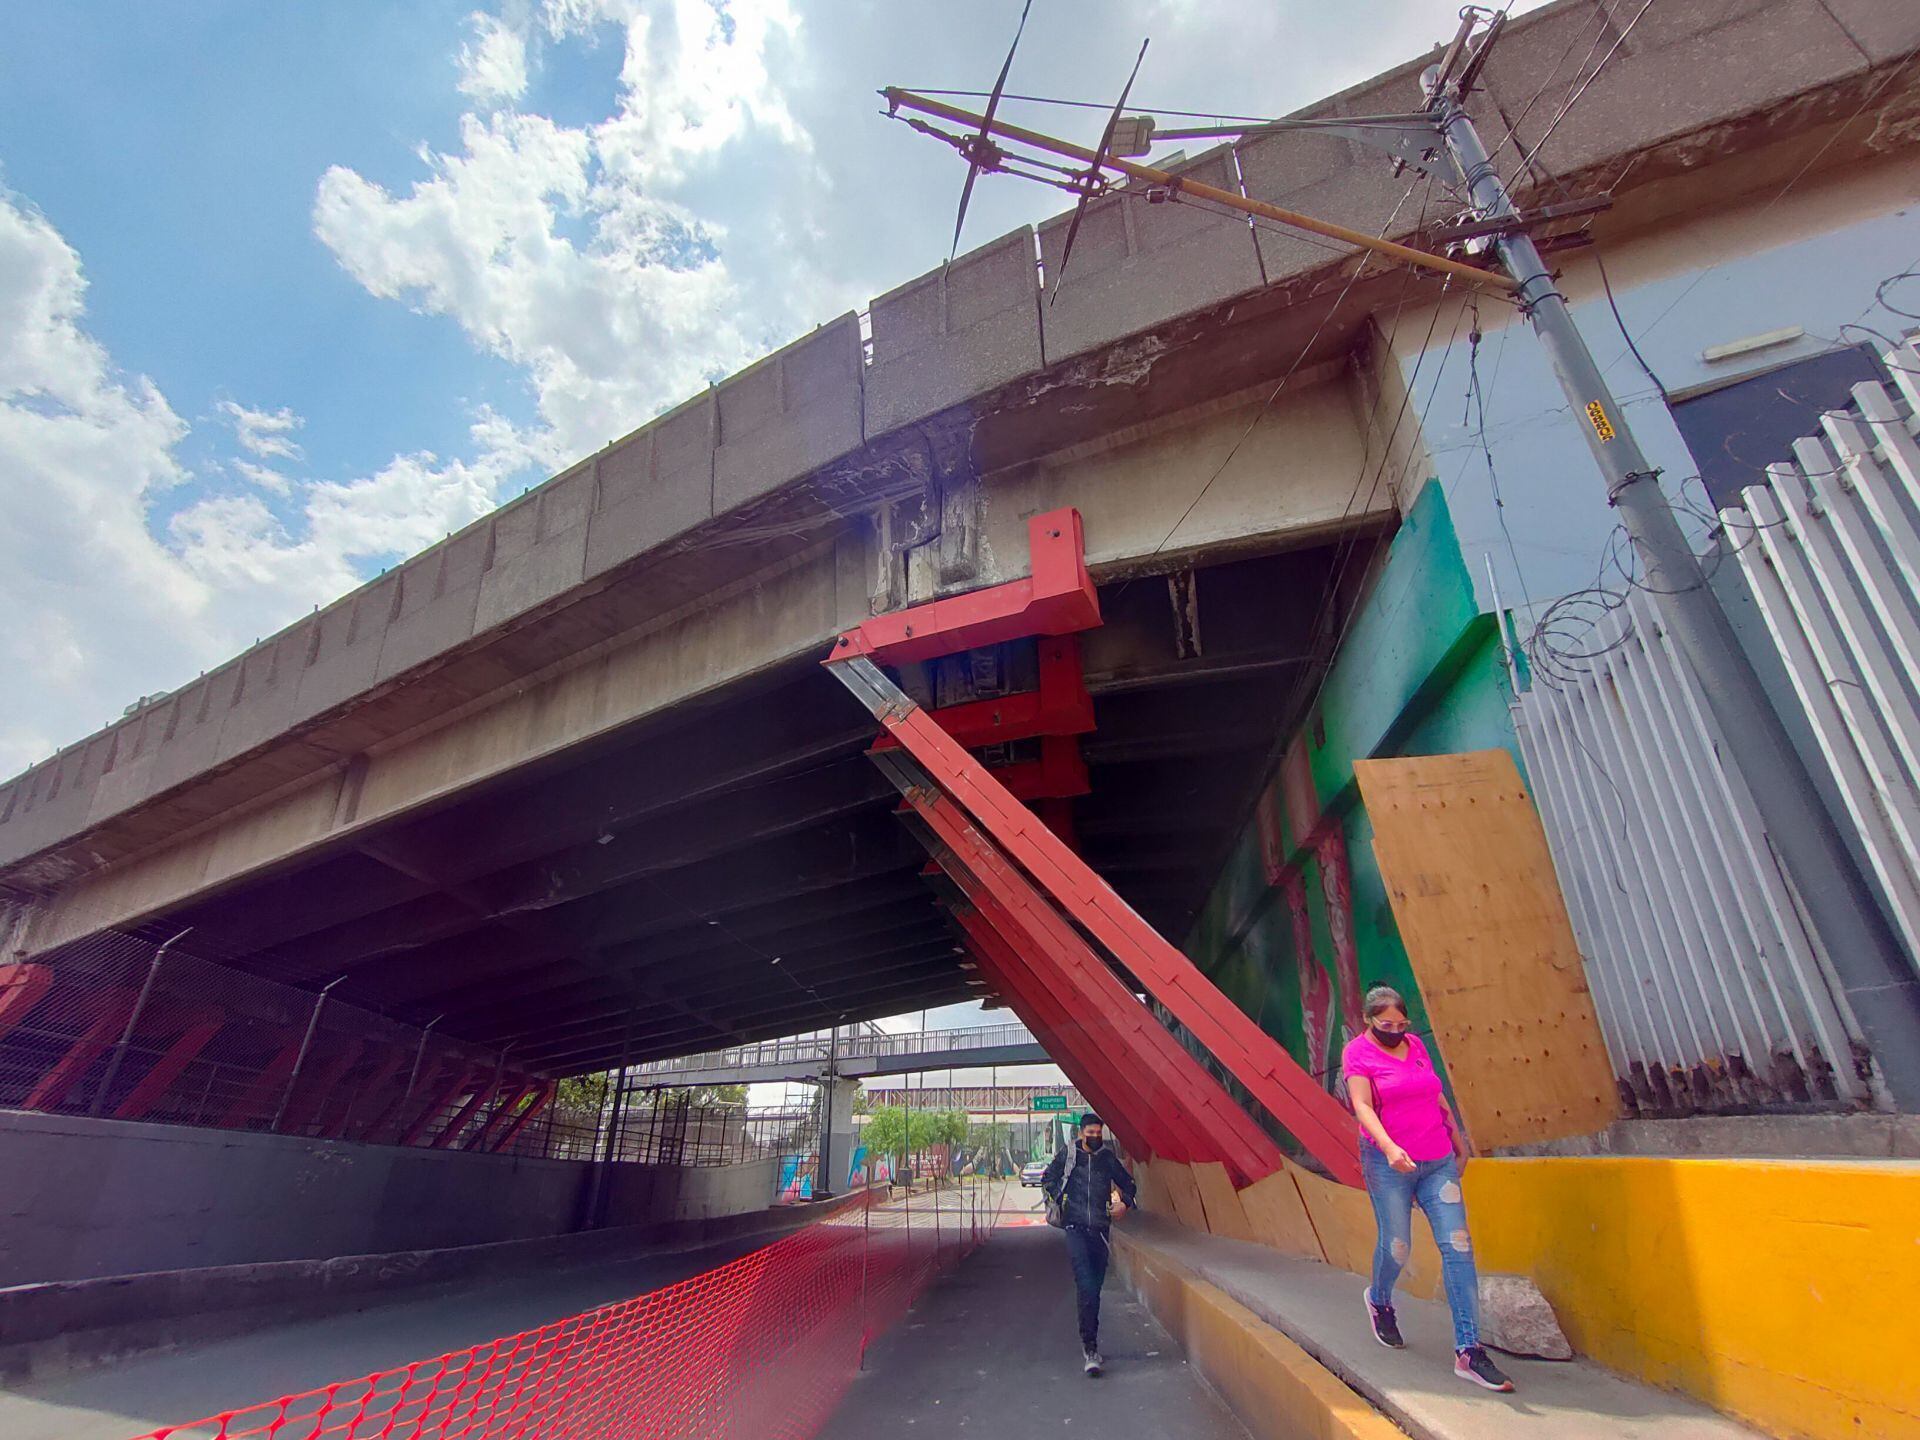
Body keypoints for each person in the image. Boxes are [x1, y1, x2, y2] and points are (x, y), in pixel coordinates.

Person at [1342, 983, 1515, 1393]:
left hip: (1437, 1161)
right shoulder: (1358, 1053)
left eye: (1402, 1023)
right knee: (1398, 1244)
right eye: (1387, 1024)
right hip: (1390, 1165)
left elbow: (1434, 1091)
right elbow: (1362, 1106)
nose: (1396, 1031)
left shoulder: (1416, 1045)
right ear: (1368, 1022)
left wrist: (1458, 1136)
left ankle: (1469, 1351)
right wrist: (1389, 1148)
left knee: (1458, 1246)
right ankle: (1380, 1300)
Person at [1040, 1112, 1137, 1376]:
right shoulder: (1069, 1155)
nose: (1095, 1137)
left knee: (1094, 1289)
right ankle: (1090, 1347)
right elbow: (1047, 1179)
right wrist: (1059, 1200)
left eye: (1098, 1133)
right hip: (1075, 1228)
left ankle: (1091, 1341)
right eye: (1090, 1133)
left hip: (1101, 1231)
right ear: (1081, 1133)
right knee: (1085, 1285)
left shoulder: (1107, 1158)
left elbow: (1129, 1184)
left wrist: (1124, 1204)